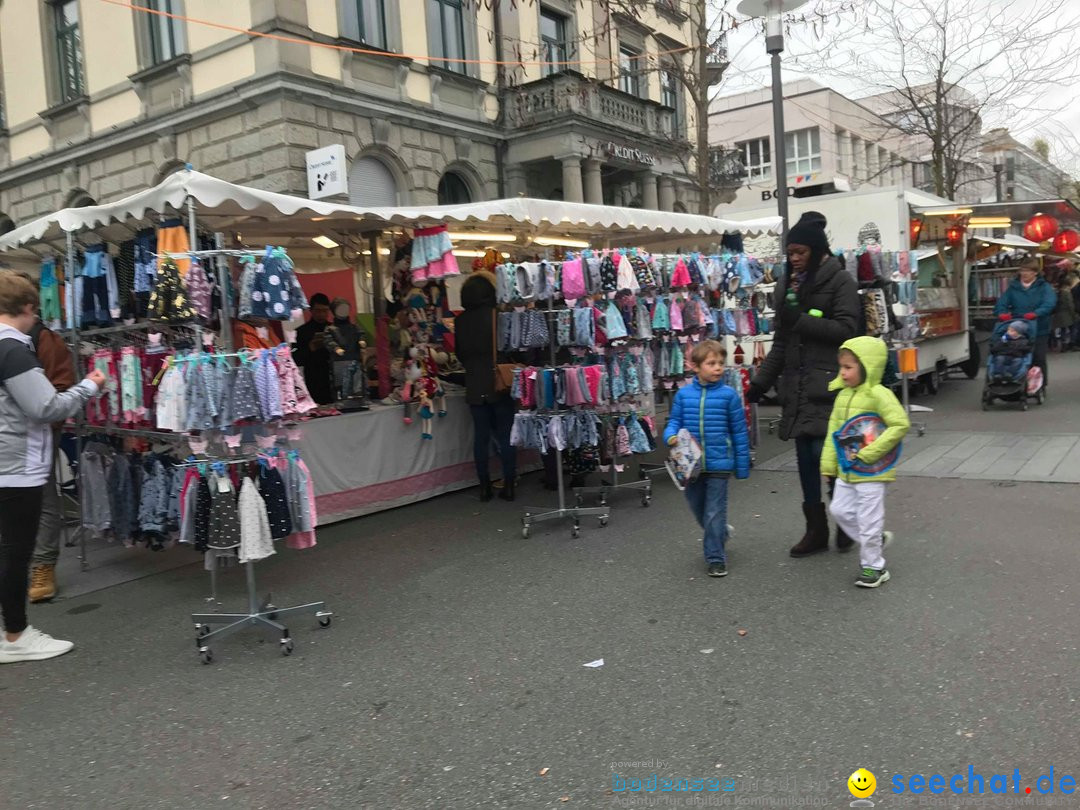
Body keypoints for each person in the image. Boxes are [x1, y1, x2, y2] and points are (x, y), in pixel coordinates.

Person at [0, 271, 106, 663]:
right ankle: (15, 635)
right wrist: (91, 384)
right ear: (28, 307)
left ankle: (11, 631)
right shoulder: (12, 350)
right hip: (16, 464)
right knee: (15, 551)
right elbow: (46, 406)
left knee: (7, 548)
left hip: (7, 460)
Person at [745, 211, 861, 557]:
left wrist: (803, 323)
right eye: (790, 253)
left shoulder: (840, 281)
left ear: (816, 249)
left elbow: (848, 331)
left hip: (829, 383)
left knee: (826, 455)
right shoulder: (786, 287)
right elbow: (782, 342)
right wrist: (760, 383)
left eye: (800, 253)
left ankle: (844, 518)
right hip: (796, 385)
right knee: (806, 459)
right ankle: (816, 527)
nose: (794, 259)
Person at [820, 336, 909, 589]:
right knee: (839, 510)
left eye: (848, 367)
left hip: (872, 470)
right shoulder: (842, 396)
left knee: (869, 519)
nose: (843, 373)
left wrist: (871, 452)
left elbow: (900, 424)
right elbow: (833, 433)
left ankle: (874, 567)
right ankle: (874, 540)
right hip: (847, 470)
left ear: (867, 366)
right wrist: (828, 466)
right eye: (841, 367)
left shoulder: (880, 395)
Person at [663, 341, 751, 578]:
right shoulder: (683, 395)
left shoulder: (729, 396)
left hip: (720, 463)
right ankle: (720, 533)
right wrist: (669, 435)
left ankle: (715, 557)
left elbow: (739, 431)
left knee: (714, 511)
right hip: (691, 466)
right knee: (698, 507)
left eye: (721, 363)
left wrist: (742, 465)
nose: (718, 368)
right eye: (711, 363)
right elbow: (674, 422)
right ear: (696, 367)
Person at [453, 271, 517, 502]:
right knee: (505, 434)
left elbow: (459, 354)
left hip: (474, 383)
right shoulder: (497, 316)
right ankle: (509, 484)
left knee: (480, 438)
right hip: (498, 382)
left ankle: (484, 487)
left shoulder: (459, 321)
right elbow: (509, 346)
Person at [27, 315, 77, 603]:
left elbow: (61, 384)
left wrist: (48, 425)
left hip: (38, 430)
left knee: (43, 497)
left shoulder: (42, 337)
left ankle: (43, 565)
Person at [993, 258, 1056, 388]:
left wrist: (1037, 313)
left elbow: (1049, 303)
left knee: (1038, 357)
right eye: (1022, 270)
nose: (1024, 273)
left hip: (1039, 327)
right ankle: (1016, 379)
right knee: (1016, 353)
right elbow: (1002, 302)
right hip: (1018, 326)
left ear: (1035, 273)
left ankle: (1040, 384)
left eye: (1027, 271)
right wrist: (1001, 313)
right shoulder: (1013, 287)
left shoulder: (1044, 287)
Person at [292, 292, 334, 405]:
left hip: (334, 377)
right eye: (318, 311)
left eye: (325, 311)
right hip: (315, 380)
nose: (321, 314)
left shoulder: (334, 329)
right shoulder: (301, 332)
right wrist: (310, 348)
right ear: (311, 310)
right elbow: (295, 359)